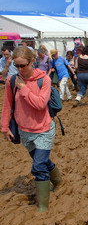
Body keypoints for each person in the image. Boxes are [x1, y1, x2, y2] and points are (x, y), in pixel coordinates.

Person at [1, 46, 63, 212]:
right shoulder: (11, 81)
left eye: (23, 65)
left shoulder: (45, 80)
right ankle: (58, 181)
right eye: (17, 66)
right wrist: (4, 127)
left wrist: (24, 88)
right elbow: (7, 105)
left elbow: (40, 104)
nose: (20, 69)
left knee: (37, 167)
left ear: (32, 61)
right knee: (41, 161)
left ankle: (43, 207)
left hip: (44, 129)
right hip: (24, 131)